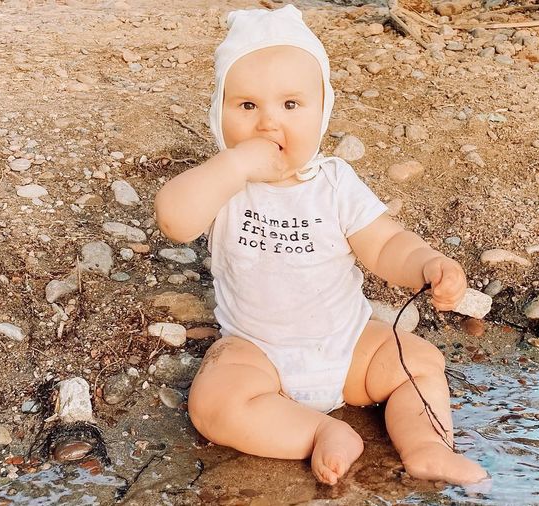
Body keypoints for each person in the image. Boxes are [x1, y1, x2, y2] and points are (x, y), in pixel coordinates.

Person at [154, 4, 488, 487]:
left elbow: (385, 242)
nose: (269, 124)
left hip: (348, 346)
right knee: (212, 405)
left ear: (322, 109)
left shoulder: (334, 183)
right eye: (247, 106)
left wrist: (426, 264)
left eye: (290, 106)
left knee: (418, 362)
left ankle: (427, 447)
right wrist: (233, 166)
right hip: (258, 354)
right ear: (218, 115)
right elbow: (174, 219)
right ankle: (322, 432)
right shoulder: (222, 185)